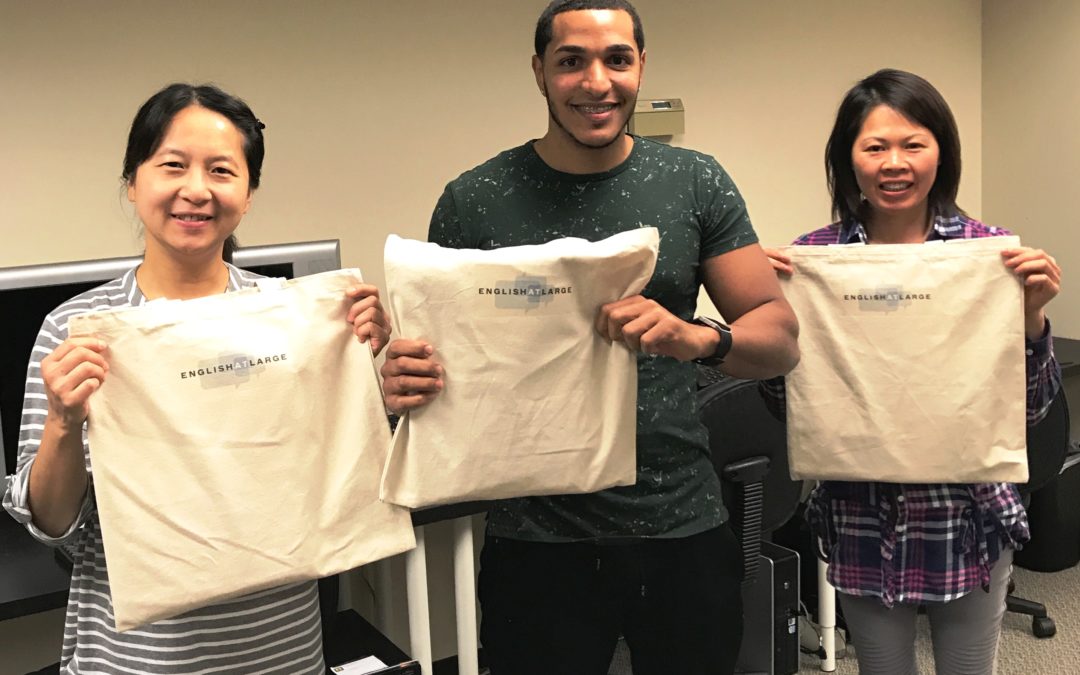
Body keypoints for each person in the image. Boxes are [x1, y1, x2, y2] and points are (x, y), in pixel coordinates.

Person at [380, 2, 799, 673]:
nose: (596, 82)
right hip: (534, 536)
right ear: (540, 72)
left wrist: (696, 338)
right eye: (571, 61)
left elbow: (779, 338)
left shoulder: (694, 181)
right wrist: (403, 376)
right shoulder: (474, 200)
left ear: (641, 67)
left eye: (616, 59)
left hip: (680, 523)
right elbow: (442, 365)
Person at [1, 83, 391, 674]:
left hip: (282, 647)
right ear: (133, 182)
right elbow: (51, 525)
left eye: (221, 170)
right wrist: (62, 420)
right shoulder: (77, 330)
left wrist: (368, 374)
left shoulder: (291, 314)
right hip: (137, 657)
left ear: (248, 194)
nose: (197, 189)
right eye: (173, 165)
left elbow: (336, 466)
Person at [762, 69, 1062, 675]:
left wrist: (1031, 320)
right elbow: (790, 405)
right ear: (848, 158)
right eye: (875, 146)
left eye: (913, 144)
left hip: (968, 519)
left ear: (940, 153)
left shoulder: (991, 254)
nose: (894, 163)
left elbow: (1030, 410)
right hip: (860, 518)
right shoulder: (814, 260)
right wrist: (772, 322)